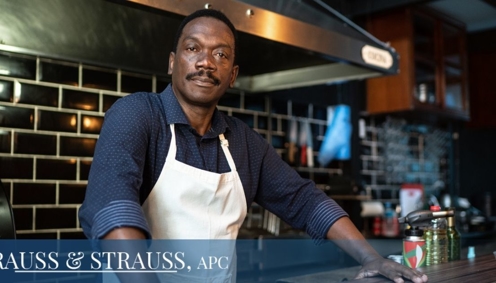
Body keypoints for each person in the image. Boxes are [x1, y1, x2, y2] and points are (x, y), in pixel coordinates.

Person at [79, 8, 428, 283]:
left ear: (232, 74)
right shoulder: (138, 115)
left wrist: (372, 257)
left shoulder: (242, 142)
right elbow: (113, 208)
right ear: (173, 62)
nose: (206, 62)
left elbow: (304, 201)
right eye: (193, 49)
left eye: (221, 54)